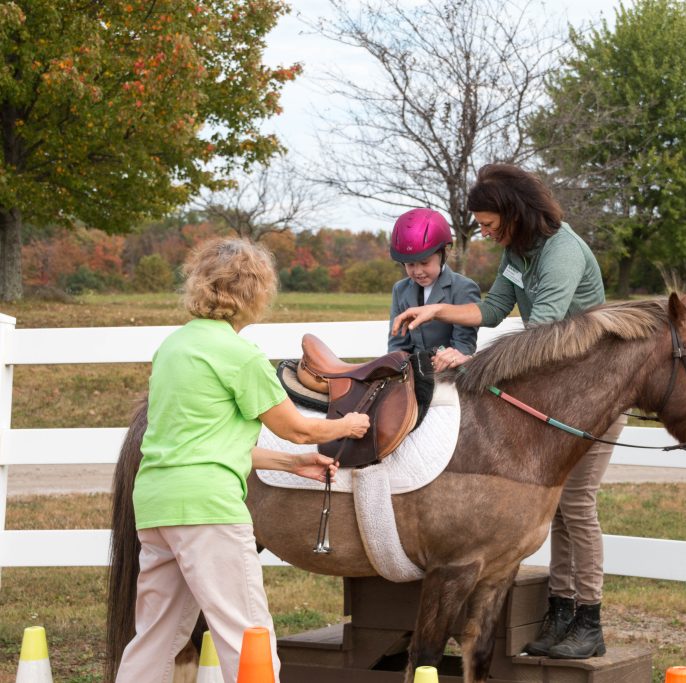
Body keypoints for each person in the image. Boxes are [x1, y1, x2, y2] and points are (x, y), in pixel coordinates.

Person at [391, 163, 625, 659]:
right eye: (480, 225)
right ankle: (561, 613)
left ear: (515, 212)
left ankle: (589, 620)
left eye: (490, 223)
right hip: (555, 393)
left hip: (588, 396)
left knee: (576, 505)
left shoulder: (561, 253)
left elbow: (540, 332)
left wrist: (470, 360)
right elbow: (494, 309)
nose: (485, 232)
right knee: (557, 507)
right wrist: (435, 311)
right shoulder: (517, 252)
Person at [116, 238, 371, 683]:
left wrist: (292, 465)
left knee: (154, 636)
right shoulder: (240, 356)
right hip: (209, 510)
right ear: (255, 293)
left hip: (157, 506)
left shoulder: (172, 348)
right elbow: (298, 427)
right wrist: (347, 425)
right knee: (248, 633)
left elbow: (202, 442)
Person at [388, 208, 480, 358]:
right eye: (410, 264)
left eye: (424, 263)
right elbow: (397, 343)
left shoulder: (463, 288)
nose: (417, 271)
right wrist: (398, 361)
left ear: (444, 253)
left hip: (450, 371)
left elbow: (464, 345)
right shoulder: (400, 289)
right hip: (413, 371)